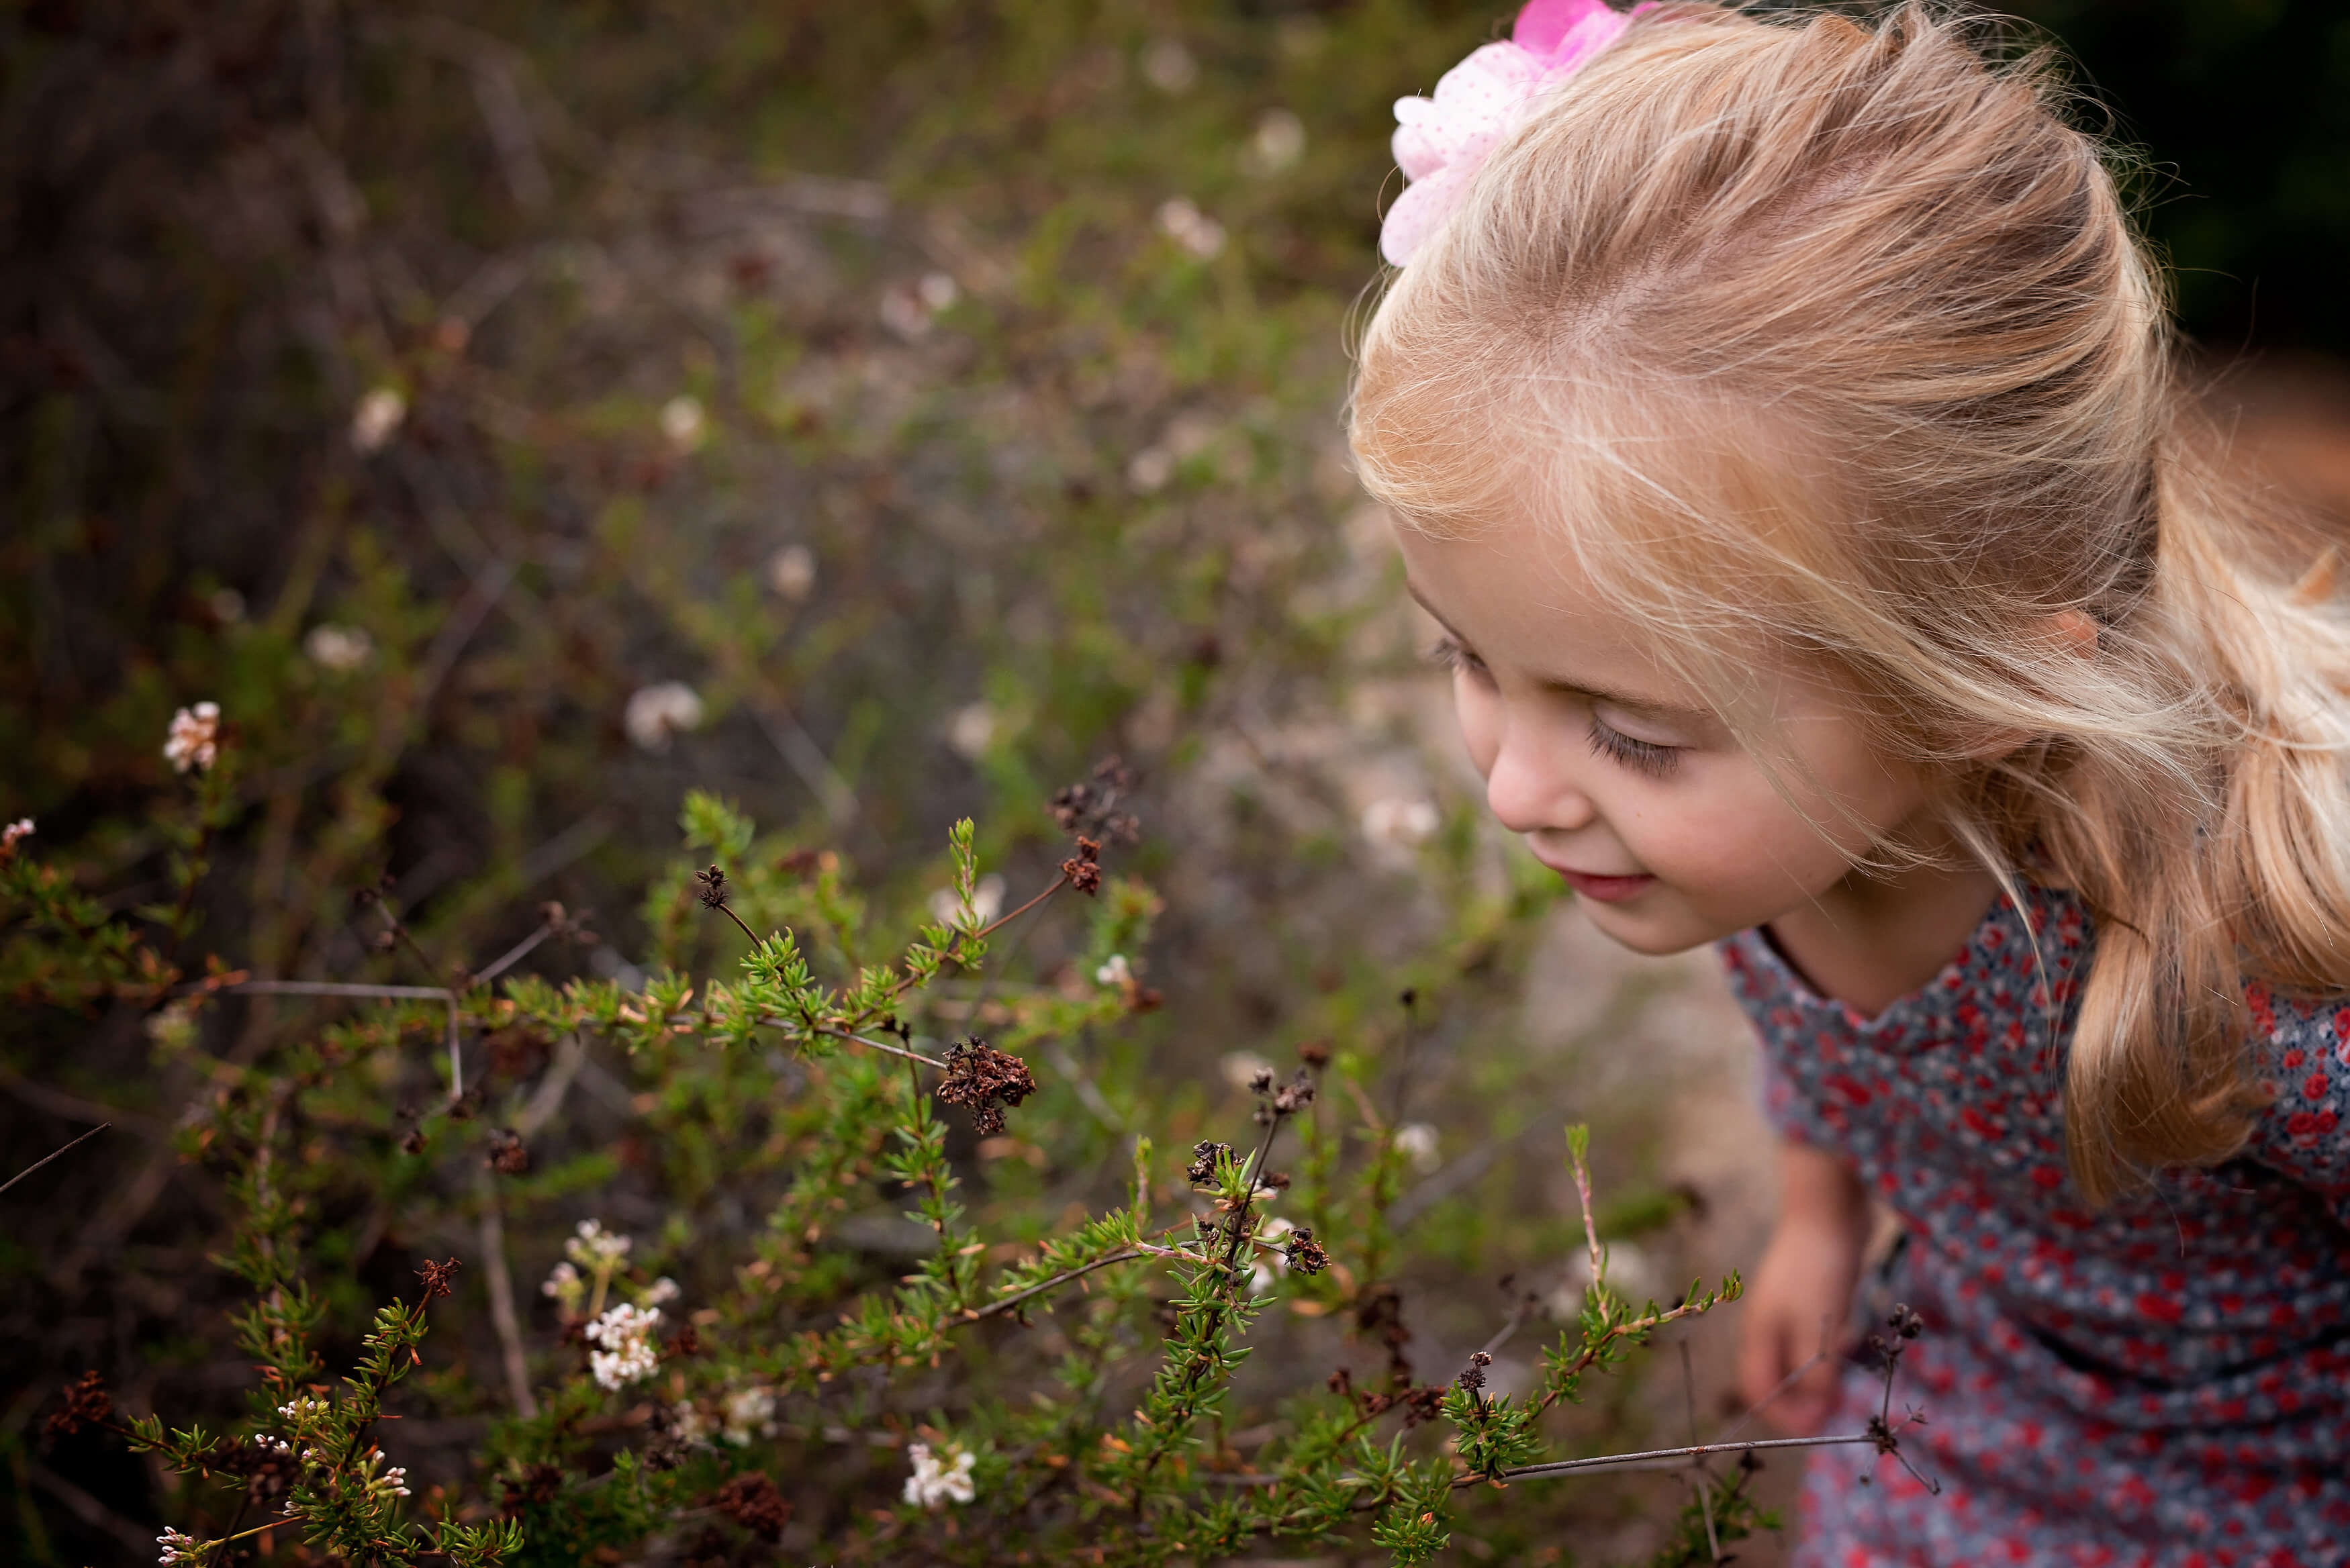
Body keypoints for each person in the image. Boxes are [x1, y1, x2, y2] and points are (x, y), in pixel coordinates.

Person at [1348, 1, 2350, 1563]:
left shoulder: (2247, 948)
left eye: (1631, 731)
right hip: (1954, 1399)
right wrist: (1820, 1217)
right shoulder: (1751, 845)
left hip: (2263, 1480)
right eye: (1465, 661)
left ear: (1970, 695)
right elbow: (1815, 1032)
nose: (1517, 791)